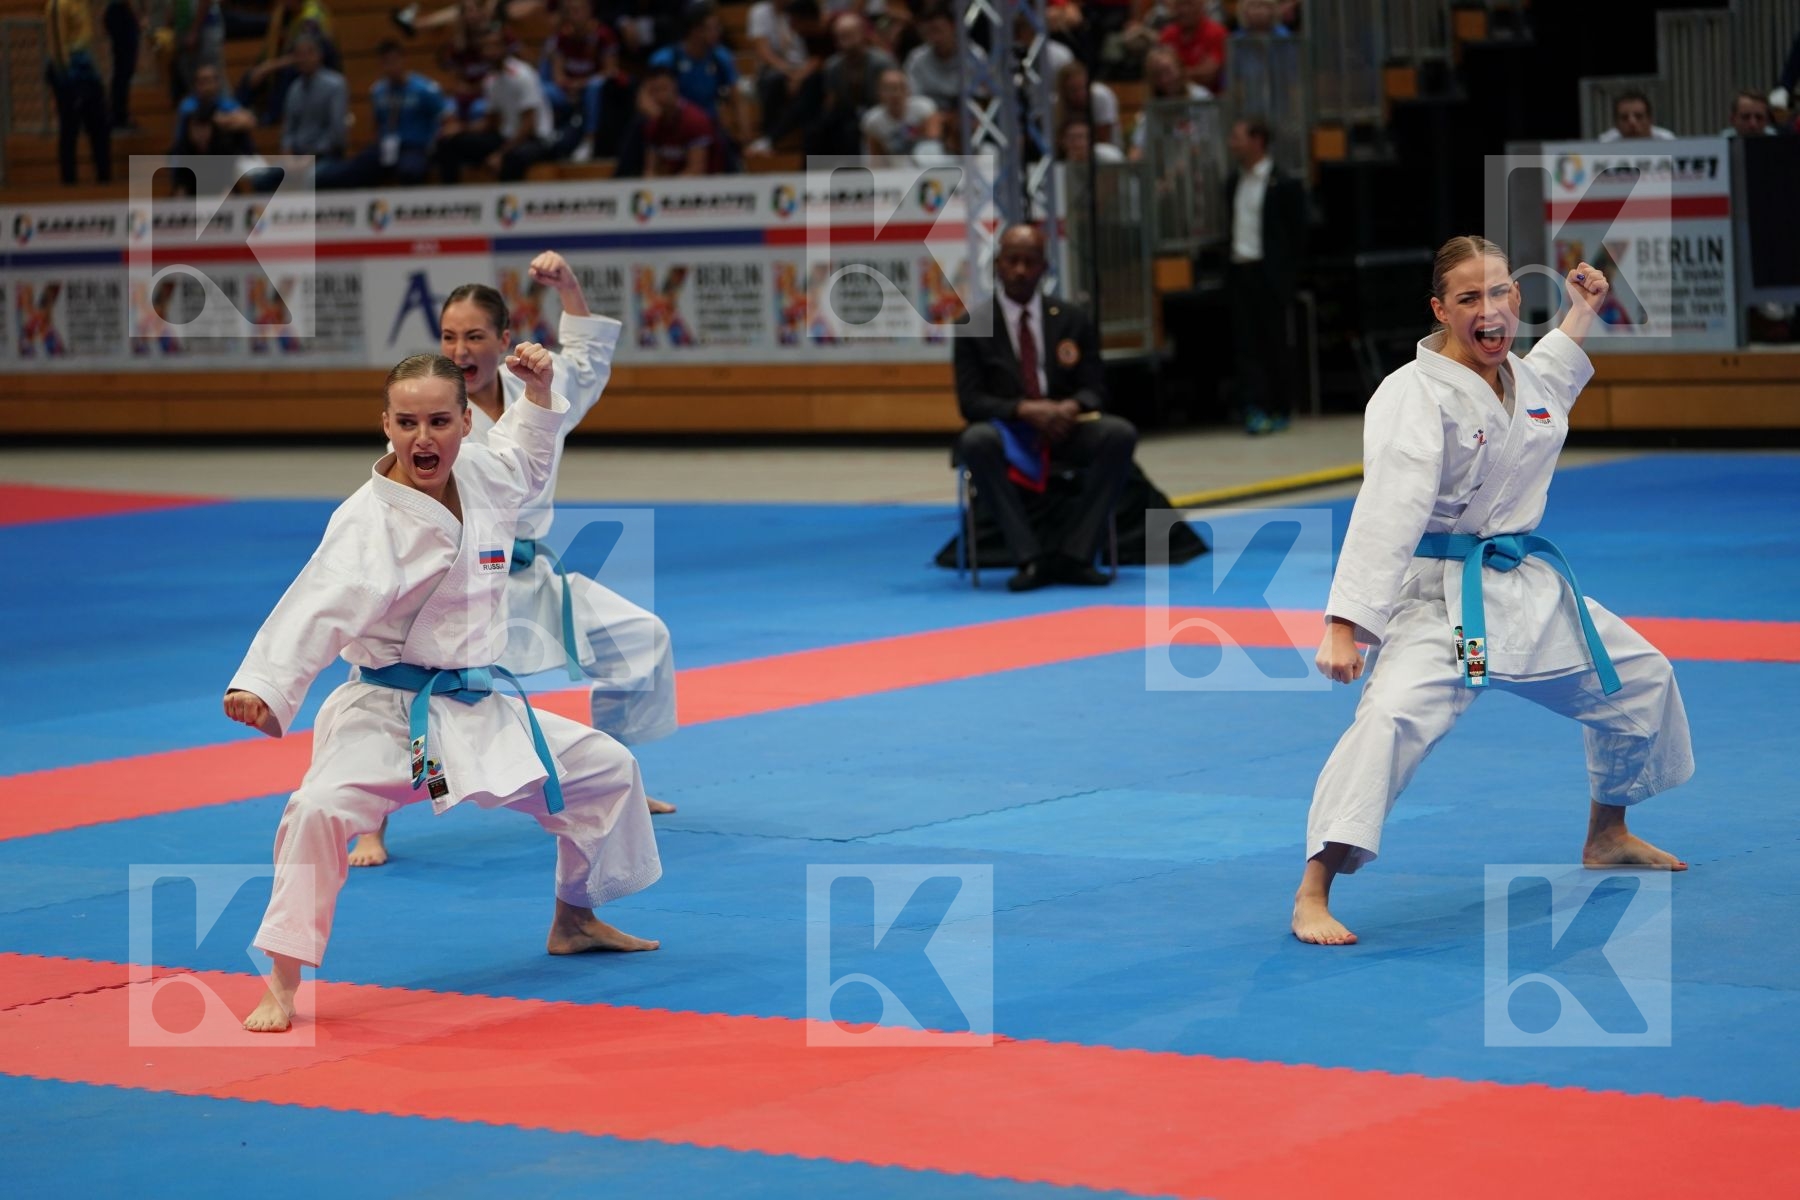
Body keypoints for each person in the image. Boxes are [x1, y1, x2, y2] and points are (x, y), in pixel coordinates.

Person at [225, 346, 662, 1032]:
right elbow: (315, 606)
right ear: (386, 426)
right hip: (388, 716)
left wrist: (538, 394)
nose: (421, 438)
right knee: (316, 808)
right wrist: (265, 683)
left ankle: (574, 918)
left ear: (465, 423)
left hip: (477, 706)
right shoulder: (366, 521)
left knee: (607, 769)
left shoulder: (483, 471)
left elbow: (526, 460)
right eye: (406, 423)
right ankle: (281, 979)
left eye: (437, 422)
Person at [1293, 237, 1692, 947]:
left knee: (1642, 679)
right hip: (1440, 599)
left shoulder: (1521, 378)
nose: (1490, 310)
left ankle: (1607, 833)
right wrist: (1343, 624)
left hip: (1524, 587)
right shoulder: (1412, 395)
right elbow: (1386, 511)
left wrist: (1581, 311)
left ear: (1517, 297)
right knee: (1387, 722)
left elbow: (1553, 375)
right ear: (1440, 310)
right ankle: (1313, 890)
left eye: (1501, 292)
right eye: (1469, 298)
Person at [348, 255, 679, 870]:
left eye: (474, 336)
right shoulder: (436, 417)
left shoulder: (538, 387)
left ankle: (613, 780)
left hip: (530, 578)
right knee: (392, 686)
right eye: (449, 336)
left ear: (504, 340)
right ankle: (370, 824)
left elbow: (588, 359)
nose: (460, 349)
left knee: (643, 640)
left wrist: (568, 287)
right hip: (460, 588)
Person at [952, 223, 1138, 592]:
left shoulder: (1071, 319)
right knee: (975, 441)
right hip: (1008, 430)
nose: (1020, 270)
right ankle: (1029, 557)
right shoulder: (973, 325)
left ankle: (1077, 553)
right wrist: (1023, 410)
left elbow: (1096, 388)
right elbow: (971, 402)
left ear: (1044, 268)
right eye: (1012, 260)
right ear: (998, 265)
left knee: (1119, 434)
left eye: (1030, 261)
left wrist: (1070, 407)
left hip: (1063, 426)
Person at [1224, 116, 1307, 435]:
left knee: (1275, 343)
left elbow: (1297, 233)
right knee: (1246, 345)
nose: (1232, 143)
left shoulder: (1283, 182)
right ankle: (1253, 407)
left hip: (1269, 274)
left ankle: (1279, 406)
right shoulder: (1234, 181)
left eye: (1238, 137)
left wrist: (1287, 274)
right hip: (1240, 270)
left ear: (1257, 140)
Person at [319, 39, 445, 189]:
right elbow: (377, 123)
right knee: (354, 169)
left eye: (394, 61)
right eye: (386, 63)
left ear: (403, 60)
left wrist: (432, 144)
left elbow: (443, 117)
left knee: (410, 170)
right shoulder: (379, 91)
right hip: (386, 147)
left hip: (414, 147)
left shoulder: (424, 89)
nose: (391, 67)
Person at [45, 0, 112, 185]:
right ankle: (69, 182)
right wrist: (66, 82)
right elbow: (57, 47)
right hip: (69, 73)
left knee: (100, 125)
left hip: (87, 69)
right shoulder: (58, 5)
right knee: (70, 128)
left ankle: (104, 177)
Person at [1597, 90, 1675, 141]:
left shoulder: (1667, 140)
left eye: (1639, 116)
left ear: (1650, 119)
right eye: (1624, 118)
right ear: (1616, 123)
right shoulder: (1606, 143)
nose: (1632, 122)